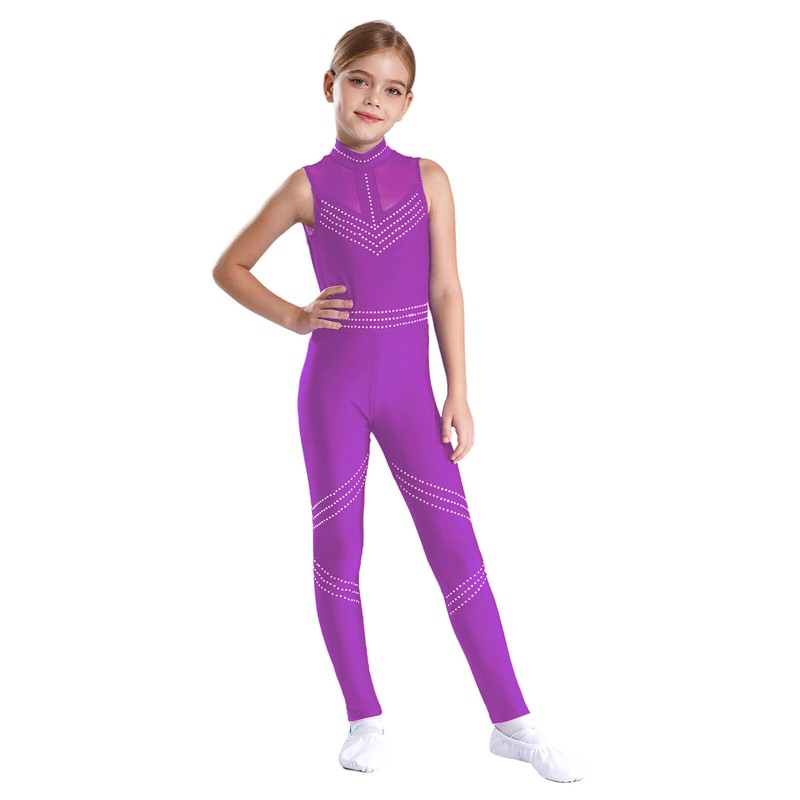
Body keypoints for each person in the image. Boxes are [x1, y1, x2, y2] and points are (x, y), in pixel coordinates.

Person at [212, 19, 586, 782]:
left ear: (409, 102)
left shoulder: (429, 178)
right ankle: (364, 717)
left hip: (412, 394)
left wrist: (459, 390)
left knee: (458, 549)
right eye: (359, 81)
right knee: (339, 548)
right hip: (333, 391)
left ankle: (512, 721)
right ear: (331, 84)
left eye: (391, 89)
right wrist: (295, 316)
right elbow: (231, 266)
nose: (372, 99)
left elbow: (446, 288)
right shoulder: (305, 185)